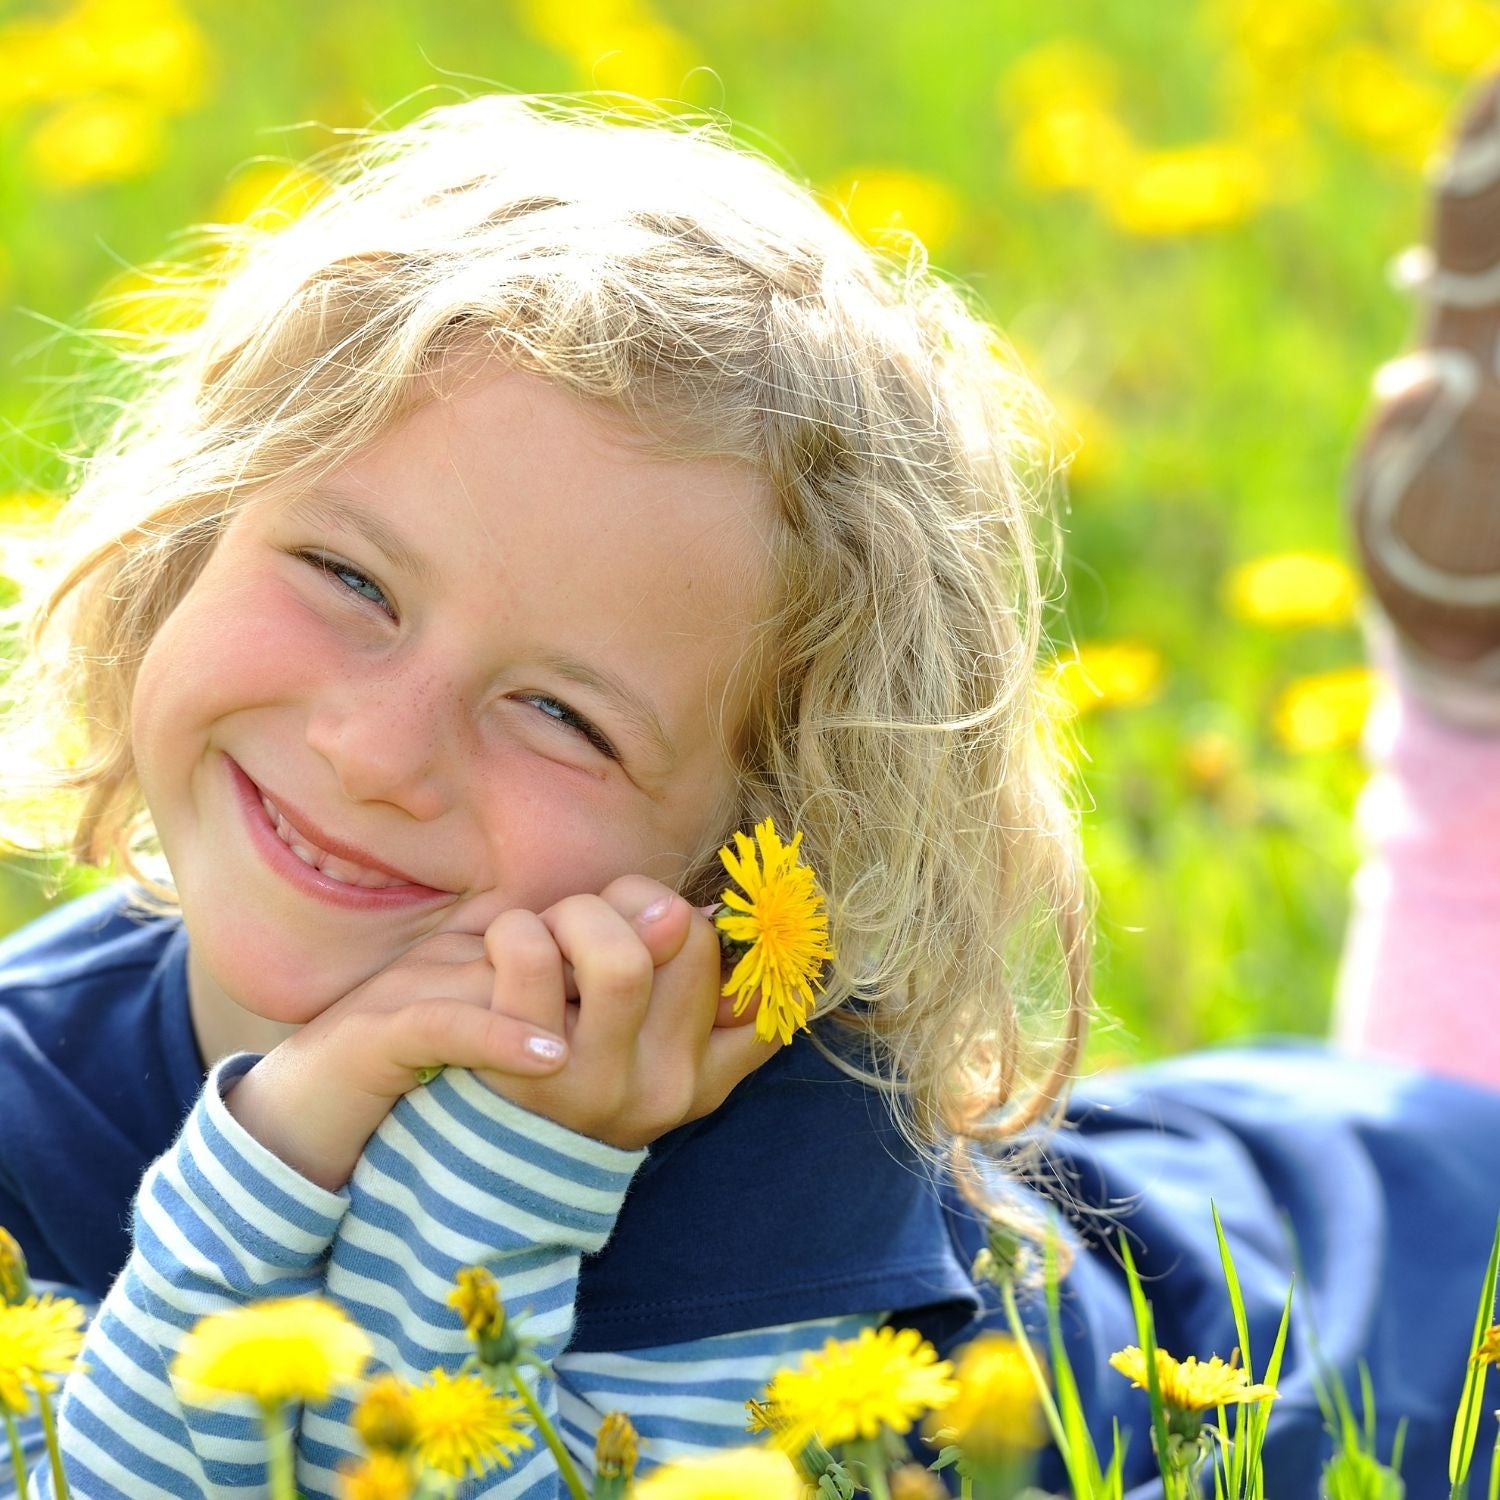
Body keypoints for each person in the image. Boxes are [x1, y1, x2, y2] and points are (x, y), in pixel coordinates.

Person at [0, 89, 1495, 1500]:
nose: (375, 751)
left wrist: (510, 1170)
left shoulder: (783, 1188)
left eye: (560, 715)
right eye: (346, 578)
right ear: (194, 523)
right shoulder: (26, 1085)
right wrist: (295, 1133)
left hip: (1402, 1299)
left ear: (764, 846)